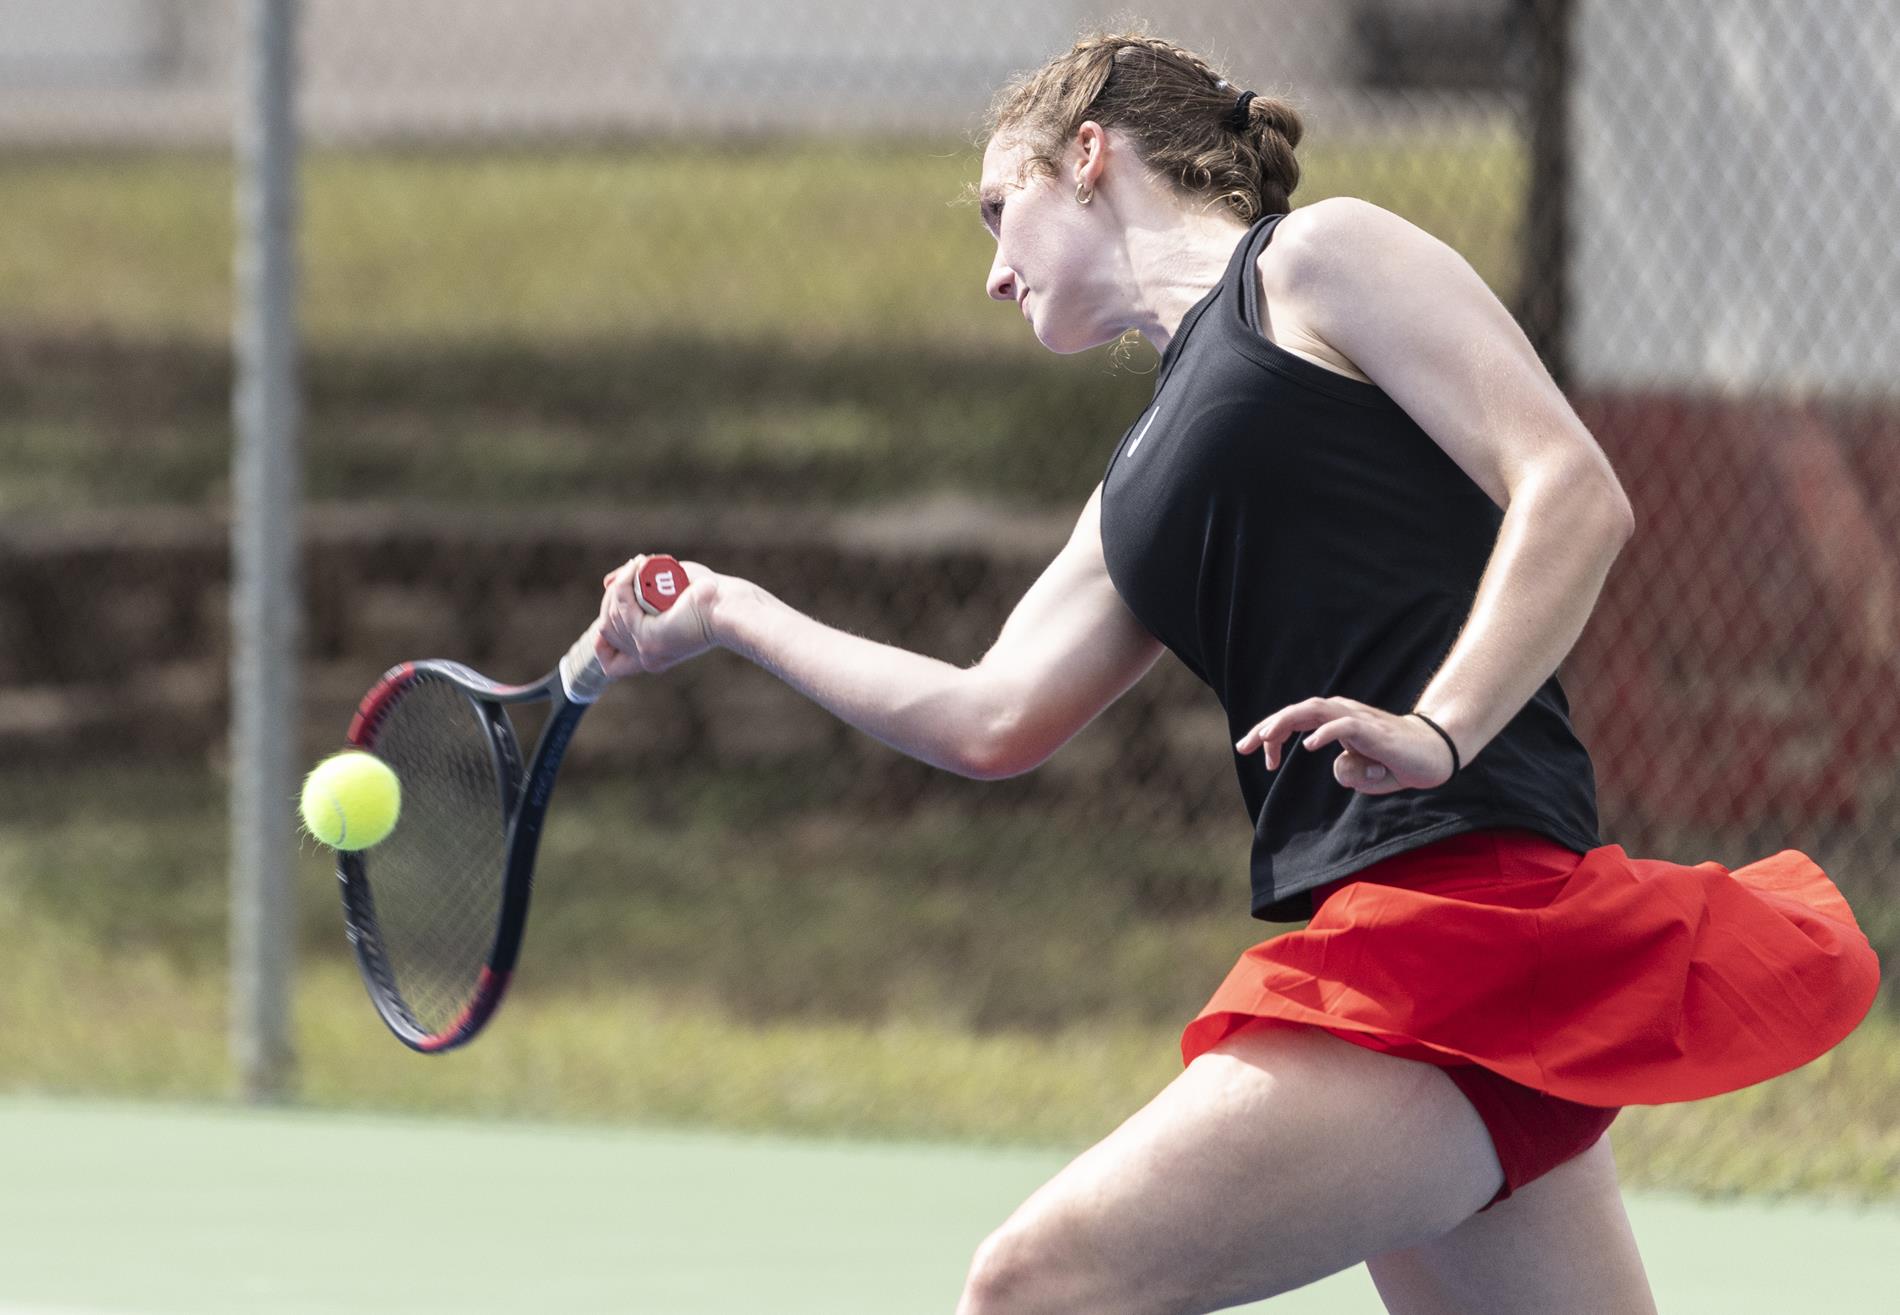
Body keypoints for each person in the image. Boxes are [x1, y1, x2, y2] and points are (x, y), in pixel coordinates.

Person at [590, 32, 1881, 1315]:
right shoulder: (1141, 478)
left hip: (1478, 927)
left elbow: (1572, 488)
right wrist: (732, 612)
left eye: (1002, 210)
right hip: (1405, 956)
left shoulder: (1319, 265)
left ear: (1088, 154)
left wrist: (1441, 725)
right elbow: (991, 715)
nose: (991, 273)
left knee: (1033, 1289)